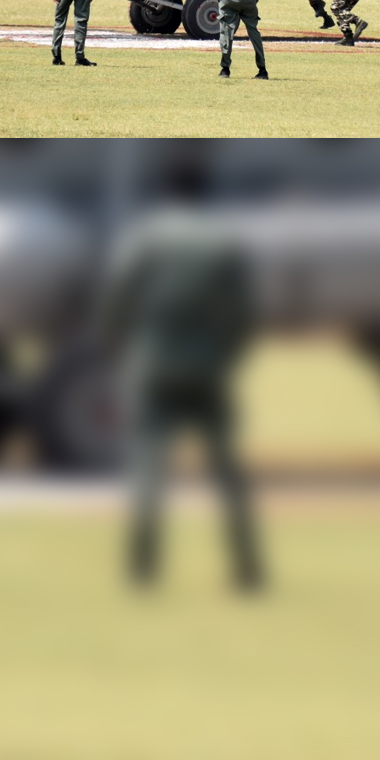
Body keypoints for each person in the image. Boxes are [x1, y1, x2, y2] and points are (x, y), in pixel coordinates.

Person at [101, 205, 265, 590]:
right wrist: (228, 356)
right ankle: (247, 569)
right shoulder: (226, 243)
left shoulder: (145, 239)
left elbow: (117, 299)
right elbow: (244, 313)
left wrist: (118, 350)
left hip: (153, 366)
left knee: (147, 472)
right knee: (228, 474)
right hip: (208, 368)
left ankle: (142, 570)